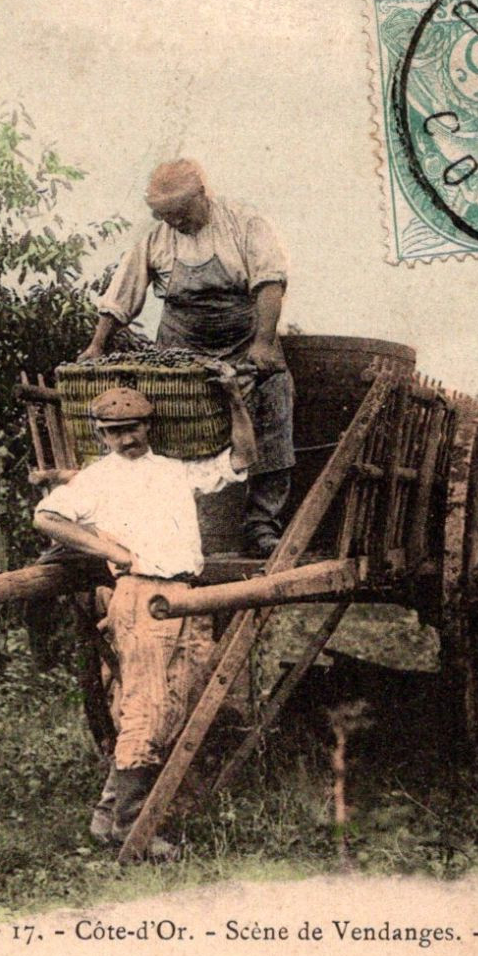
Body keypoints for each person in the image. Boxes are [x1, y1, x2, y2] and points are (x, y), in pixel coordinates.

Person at [34, 379, 257, 852]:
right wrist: (109, 548)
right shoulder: (96, 477)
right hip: (139, 595)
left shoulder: (175, 470)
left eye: (132, 429)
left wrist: (235, 400)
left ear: (148, 425)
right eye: (113, 432)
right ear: (100, 434)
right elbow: (46, 517)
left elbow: (242, 460)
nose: (125, 440)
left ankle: (107, 814)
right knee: (146, 706)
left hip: (185, 594)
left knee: (179, 703)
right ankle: (134, 829)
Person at [82, 158, 294, 557]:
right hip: (182, 347)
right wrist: (97, 344)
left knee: (273, 410)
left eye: (181, 213)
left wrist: (264, 343)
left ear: (202, 195)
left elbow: (269, 283)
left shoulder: (245, 224)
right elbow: (123, 292)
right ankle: (178, 521)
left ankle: (262, 523)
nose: (175, 222)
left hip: (244, 339)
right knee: (170, 427)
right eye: (166, 216)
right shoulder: (157, 238)